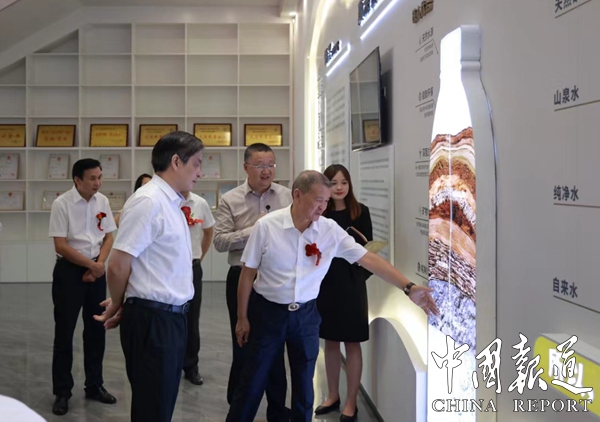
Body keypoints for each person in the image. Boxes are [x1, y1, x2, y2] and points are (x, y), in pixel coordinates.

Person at [226, 170, 439, 422]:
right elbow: (247, 273)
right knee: (252, 382)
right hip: (267, 313)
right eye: (318, 200)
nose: (323, 207)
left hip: (305, 317)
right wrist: (242, 317)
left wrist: (408, 287)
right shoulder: (267, 226)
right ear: (297, 195)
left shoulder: (329, 230)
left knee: (304, 388)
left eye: (326, 201)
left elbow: (368, 259)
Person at [94, 131, 204, 422]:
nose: (200, 172)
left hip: (170, 318)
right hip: (155, 321)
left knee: (160, 405)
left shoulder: (171, 203)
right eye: (196, 163)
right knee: (152, 409)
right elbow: (118, 264)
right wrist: (120, 303)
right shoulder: (149, 201)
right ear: (176, 162)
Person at [213, 143, 291, 421]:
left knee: (276, 345)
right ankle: (238, 406)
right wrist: (255, 229)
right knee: (243, 341)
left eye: (271, 165)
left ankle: (277, 409)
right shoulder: (230, 199)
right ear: (246, 167)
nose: (266, 171)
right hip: (241, 277)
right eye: (260, 166)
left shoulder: (287, 196)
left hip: (276, 278)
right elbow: (220, 241)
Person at [48, 158, 118, 416]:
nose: (97, 183)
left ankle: (94, 384)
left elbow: (109, 236)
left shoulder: (103, 201)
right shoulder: (62, 204)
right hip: (69, 271)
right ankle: (62, 392)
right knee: (64, 332)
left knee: (97, 330)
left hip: (96, 270)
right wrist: (91, 265)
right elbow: (60, 244)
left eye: (100, 177)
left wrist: (99, 265)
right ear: (77, 180)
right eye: (92, 178)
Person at [314, 164, 372, 421]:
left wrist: (357, 277)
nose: (339, 187)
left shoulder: (360, 212)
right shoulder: (321, 212)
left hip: (351, 285)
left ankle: (351, 402)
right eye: (333, 183)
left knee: (352, 341)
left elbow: (369, 251)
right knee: (330, 341)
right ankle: (332, 395)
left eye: (344, 182)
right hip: (325, 284)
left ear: (350, 185)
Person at [180, 190, 215, 385]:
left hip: (192, 266)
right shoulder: (164, 201)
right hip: (168, 268)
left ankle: (191, 366)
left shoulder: (200, 203)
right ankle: (171, 363)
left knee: (192, 318)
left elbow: (209, 231)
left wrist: (199, 256)